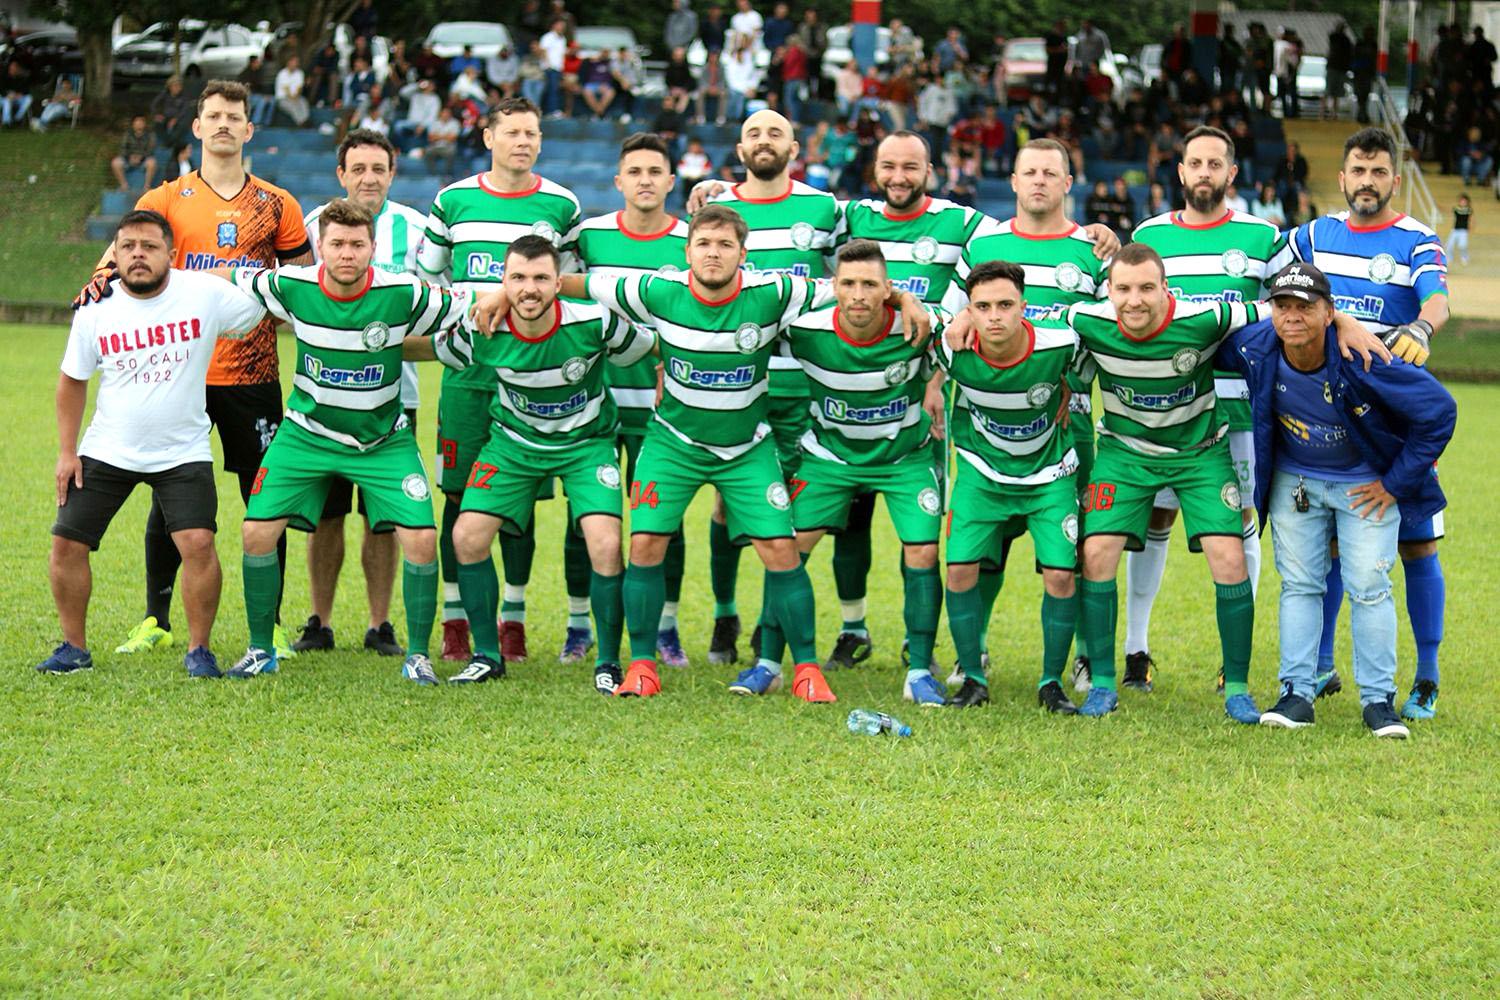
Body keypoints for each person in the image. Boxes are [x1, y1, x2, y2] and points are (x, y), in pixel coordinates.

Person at [473, 204, 927, 700]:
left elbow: (849, 289)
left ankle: (807, 670)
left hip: (746, 448)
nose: (713, 254)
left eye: (725, 245)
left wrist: (904, 297)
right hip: (674, 444)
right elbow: (577, 285)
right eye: (704, 244)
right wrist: (503, 290)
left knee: (779, 549)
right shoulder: (656, 290)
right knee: (646, 544)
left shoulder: (775, 291)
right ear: (687, 251)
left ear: (742, 254)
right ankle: (643, 665)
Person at [74, 80, 312, 660]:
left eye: (235, 116)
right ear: (197, 128)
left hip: (252, 375)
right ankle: (156, 619)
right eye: (214, 115)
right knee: (166, 496)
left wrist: (258, 322)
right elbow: (114, 266)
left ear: (250, 129)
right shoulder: (163, 200)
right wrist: (95, 287)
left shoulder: (277, 204)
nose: (225, 124)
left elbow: (304, 286)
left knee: (265, 500)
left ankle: (270, 624)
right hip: (174, 375)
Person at [214, 198, 471, 683]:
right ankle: (258, 649)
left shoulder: (404, 291)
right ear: (320, 247)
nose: (347, 253)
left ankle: (417, 655)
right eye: (337, 244)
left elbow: (469, 302)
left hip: (383, 439)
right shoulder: (291, 284)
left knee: (420, 538)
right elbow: (223, 279)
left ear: (373, 247)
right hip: (306, 436)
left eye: (357, 244)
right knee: (256, 532)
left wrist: (501, 299)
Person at [1218, 263, 1454, 738]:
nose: (1292, 317)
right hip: (1296, 482)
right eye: (1282, 306)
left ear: (1329, 312)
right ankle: (1296, 693)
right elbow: (1207, 347)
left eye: (1305, 307)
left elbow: (1440, 411)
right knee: (1300, 584)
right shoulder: (1255, 346)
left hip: (1364, 485)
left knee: (1369, 585)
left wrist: (1395, 483)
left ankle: (1378, 702)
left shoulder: (1364, 354)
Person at [40, 211, 266, 677]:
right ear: (114, 255)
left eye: (148, 246)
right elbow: (71, 380)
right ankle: (73, 648)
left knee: (199, 543)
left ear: (171, 254)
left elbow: (264, 304)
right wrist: (67, 451)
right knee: (65, 543)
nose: (137, 255)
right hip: (108, 448)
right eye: (127, 247)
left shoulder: (202, 293)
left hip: (182, 449)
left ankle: (199, 650)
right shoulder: (95, 308)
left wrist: (230, 272)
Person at [1120, 126, 1292, 695]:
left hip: (1239, 404)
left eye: (1214, 164)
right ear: (1180, 171)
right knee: (1155, 519)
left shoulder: (1262, 236)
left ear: (1231, 174)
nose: (1203, 173)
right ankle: (1136, 650)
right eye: (1194, 162)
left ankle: (1231, 662)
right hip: (1166, 408)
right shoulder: (1149, 233)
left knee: (1241, 520)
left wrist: (1230, 316)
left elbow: (1286, 304)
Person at [1287, 127, 1451, 719]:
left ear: (1394, 180)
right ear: (1342, 177)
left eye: (1379, 172)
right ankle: (1322, 664)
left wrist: (1422, 329)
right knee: (1327, 541)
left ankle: (1426, 676)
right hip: (1325, 409)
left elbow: (1437, 300)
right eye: (1358, 170)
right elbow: (1272, 280)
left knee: (1416, 542)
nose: (1367, 182)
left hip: (1394, 419)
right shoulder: (1311, 236)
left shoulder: (1415, 239)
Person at [1065, 243, 1267, 721]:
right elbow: (1035, 330)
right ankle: (1103, 683)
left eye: (1146, 289)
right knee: (1095, 553)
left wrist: (1339, 319)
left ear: (1166, 289)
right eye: (1124, 290)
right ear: (1108, 291)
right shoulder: (1085, 320)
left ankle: (1237, 685)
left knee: (1229, 555)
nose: (1134, 301)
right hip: (1124, 455)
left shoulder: (1205, 319)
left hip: (1199, 455)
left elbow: (1275, 307)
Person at [416, 97, 582, 664]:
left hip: (535, 375)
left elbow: (571, 283)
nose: (523, 142)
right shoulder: (453, 200)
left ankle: (512, 616)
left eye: (532, 133)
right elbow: (429, 281)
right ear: (488, 138)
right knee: (460, 496)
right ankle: (456, 617)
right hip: (468, 374)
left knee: (520, 500)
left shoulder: (562, 205)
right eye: (512, 132)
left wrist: (506, 293)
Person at [445, 236, 649, 690]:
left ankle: (609, 662)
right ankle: (486, 655)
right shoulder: (481, 325)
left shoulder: (595, 321)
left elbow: (645, 348)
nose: (529, 289)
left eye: (540, 278)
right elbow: (437, 351)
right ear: (502, 282)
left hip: (587, 444)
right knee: (467, 536)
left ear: (559, 281)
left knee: (605, 545)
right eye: (517, 278)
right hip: (512, 445)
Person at [952, 138, 1117, 687]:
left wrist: (1079, 384)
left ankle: (1090, 657)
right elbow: (956, 320)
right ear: (1014, 181)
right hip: (994, 423)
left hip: (1068, 423)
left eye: (1051, 172)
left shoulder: (1094, 251)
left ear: (1069, 184)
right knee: (987, 544)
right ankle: (970, 653)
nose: (1040, 181)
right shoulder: (983, 243)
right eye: (1030, 172)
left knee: (1082, 547)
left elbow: (1107, 333)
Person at [697, 111, 843, 665]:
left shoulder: (825, 209)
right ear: (739, 147)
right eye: (754, 133)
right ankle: (723, 615)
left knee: (792, 515)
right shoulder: (716, 211)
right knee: (725, 507)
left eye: (775, 132)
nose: (764, 142)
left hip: (807, 384)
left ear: (795, 145)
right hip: (742, 384)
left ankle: (768, 625)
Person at [776, 239, 945, 705]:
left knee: (924, 553)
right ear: (833, 287)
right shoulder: (804, 328)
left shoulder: (918, 323)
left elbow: (966, 328)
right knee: (787, 550)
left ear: (888, 288)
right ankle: (769, 663)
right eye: (848, 283)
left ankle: (919, 671)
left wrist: (933, 376)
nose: (858, 294)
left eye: (870, 285)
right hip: (830, 459)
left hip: (903, 459)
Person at [288, 131, 432, 656]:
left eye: (379, 168)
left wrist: (381, 344)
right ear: (340, 174)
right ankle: (319, 622)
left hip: (394, 402)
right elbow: (294, 305)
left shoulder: (417, 231)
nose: (369, 177)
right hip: (323, 401)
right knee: (325, 517)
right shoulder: (310, 228)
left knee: (382, 520)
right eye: (358, 168)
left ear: (392, 174)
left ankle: (379, 624)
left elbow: (430, 315)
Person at [559, 133, 692, 673]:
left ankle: (666, 628)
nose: (644, 179)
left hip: (666, 406)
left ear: (670, 181)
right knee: (584, 516)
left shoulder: (688, 239)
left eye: (654, 171)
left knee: (663, 520)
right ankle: (577, 626)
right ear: (618, 182)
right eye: (633, 171)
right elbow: (557, 292)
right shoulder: (589, 236)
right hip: (593, 402)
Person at [938, 260, 1082, 713]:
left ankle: (1052, 683)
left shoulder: (1062, 341)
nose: (994, 316)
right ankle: (972, 678)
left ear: (1025, 306)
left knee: (1060, 574)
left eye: (1005, 304)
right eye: (981, 307)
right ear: (969, 310)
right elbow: (904, 310)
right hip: (983, 475)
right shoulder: (950, 345)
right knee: (959, 570)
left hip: (1049, 476)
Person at [111, 115, 157, 192]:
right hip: (128, 159)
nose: (139, 124)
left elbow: (151, 149)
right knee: (115, 163)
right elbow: (123, 148)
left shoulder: (150, 135)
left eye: (141, 122)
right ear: (133, 124)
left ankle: (147, 186)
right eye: (137, 122)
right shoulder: (128, 134)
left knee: (152, 163)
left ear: (144, 124)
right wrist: (129, 157)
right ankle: (124, 185)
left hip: (144, 159)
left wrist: (141, 157)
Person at [150, 76, 194, 151]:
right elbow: (154, 104)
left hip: (180, 118)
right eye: (175, 86)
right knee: (158, 123)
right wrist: (156, 114)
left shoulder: (184, 95)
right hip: (166, 116)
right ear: (170, 87)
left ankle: (169, 144)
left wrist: (176, 119)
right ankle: (168, 142)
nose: (178, 88)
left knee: (181, 126)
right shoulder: (165, 93)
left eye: (179, 86)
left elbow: (184, 110)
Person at [538, 19, 568, 117]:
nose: (562, 28)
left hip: (558, 68)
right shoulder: (548, 37)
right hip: (550, 68)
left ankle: (550, 110)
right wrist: (548, 65)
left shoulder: (562, 38)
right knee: (552, 89)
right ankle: (552, 111)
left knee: (554, 89)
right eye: (560, 25)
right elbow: (543, 50)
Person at [1323, 23, 1352, 120]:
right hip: (1333, 67)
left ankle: (1333, 113)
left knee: (1336, 93)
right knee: (1329, 91)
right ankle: (1323, 111)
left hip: (1340, 68)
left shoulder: (1345, 40)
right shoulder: (1334, 37)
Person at [275, 55, 310, 127]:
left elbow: (299, 88)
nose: (296, 64)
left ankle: (306, 120)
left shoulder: (300, 73)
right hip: (283, 98)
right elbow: (286, 89)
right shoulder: (282, 73)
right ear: (289, 62)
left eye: (297, 62)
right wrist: (293, 98)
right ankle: (301, 123)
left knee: (303, 102)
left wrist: (296, 97)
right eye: (294, 62)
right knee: (293, 106)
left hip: (296, 96)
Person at [1449, 194, 1472, 265]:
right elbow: (1448, 210)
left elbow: (1471, 220)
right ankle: (1449, 258)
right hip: (1455, 230)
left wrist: (1471, 228)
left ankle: (1464, 257)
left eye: (1464, 201)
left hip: (1463, 230)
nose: (1462, 203)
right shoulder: (1456, 209)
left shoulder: (1468, 210)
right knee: (1450, 245)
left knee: (1462, 245)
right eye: (1461, 201)